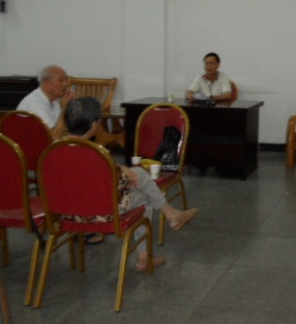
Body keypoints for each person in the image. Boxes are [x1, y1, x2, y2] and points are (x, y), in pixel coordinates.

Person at [62, 96, 200, 272]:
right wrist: (125, 173)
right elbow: (115, 184)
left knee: (141, 181)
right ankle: (148, 252)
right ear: (94, 125)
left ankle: (168, 219)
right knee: (144, 190)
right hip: (98, 214)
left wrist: (120, 168)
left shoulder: (56, 148)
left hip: (65, 213)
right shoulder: (96, 154)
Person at [16, 65, 74, 138]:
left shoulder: (54, 101)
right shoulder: (34, 103)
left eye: (66, 80)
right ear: (47, 85)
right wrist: (65, 107)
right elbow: (52, 136)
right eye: (61, 80)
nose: (65, 84)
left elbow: (60, 130)